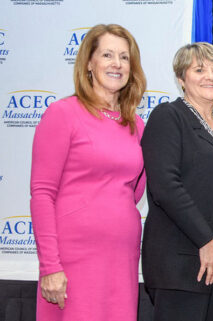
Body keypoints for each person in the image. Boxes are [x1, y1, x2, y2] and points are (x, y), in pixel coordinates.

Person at [30, 24, 146, 321]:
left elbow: (134, 192)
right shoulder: (63, 114)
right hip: (73, 259)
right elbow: (42, 194)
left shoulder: (137, 125)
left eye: (124, 57)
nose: (117, 63)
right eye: (107, 54)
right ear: (89, 64)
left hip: (121, 258)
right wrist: (50, 266)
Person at [141, 42, 213, 321]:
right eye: (199, 69)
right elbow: (165, 186)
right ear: (181, 79)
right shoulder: (168, 116)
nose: (210, 76)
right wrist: (205, 240)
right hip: (184, 255)